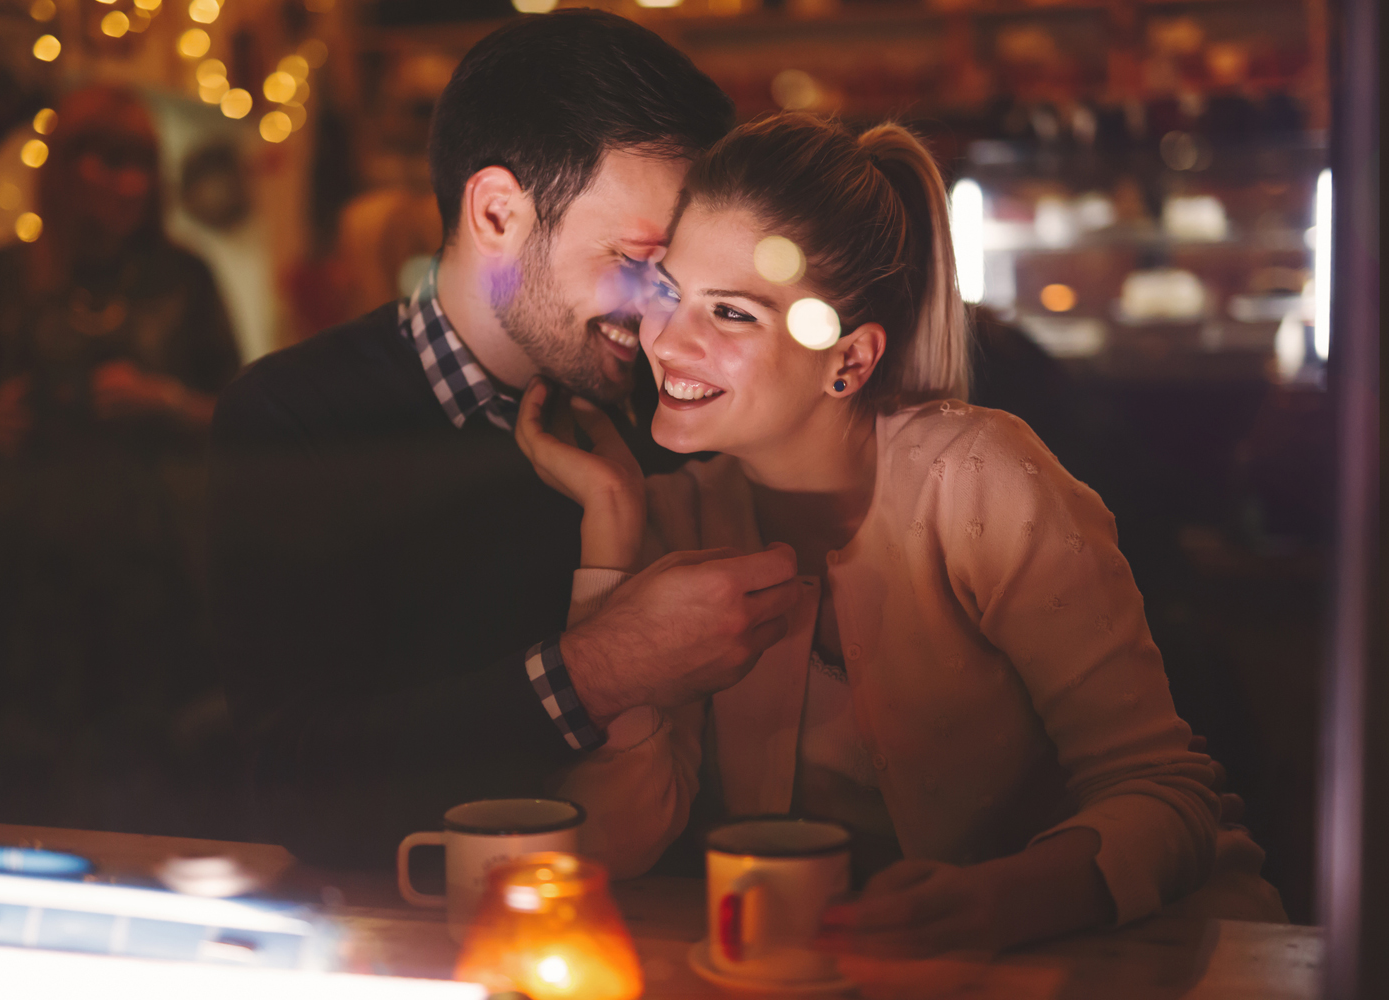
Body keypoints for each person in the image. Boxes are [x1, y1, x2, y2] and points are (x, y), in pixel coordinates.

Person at [516, 113, 1284, 954]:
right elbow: (610, 844)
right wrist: (611, 539)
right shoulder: (678, 519)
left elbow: (1168, 796)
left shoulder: (979, 480)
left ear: (849, 360)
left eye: (733, 314)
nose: (668, 340)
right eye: (667, 292)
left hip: (1148, 958)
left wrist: (997, 901)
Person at [208, 10, 802, 867]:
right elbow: (296, 779)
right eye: (639, 263)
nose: (666, 315)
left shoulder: (676, 413)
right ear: (497, 215)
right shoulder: (295, 420)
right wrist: (604, 668)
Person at [0, 86, 239, 830]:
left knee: (147, 767)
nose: (130, 182)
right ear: (63, 168)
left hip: (147, 564)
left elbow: (242, 418)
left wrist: (165, 400)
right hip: (24, 562)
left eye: (142, 164)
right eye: (109, 160)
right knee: (21, 766)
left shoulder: (182, 278)